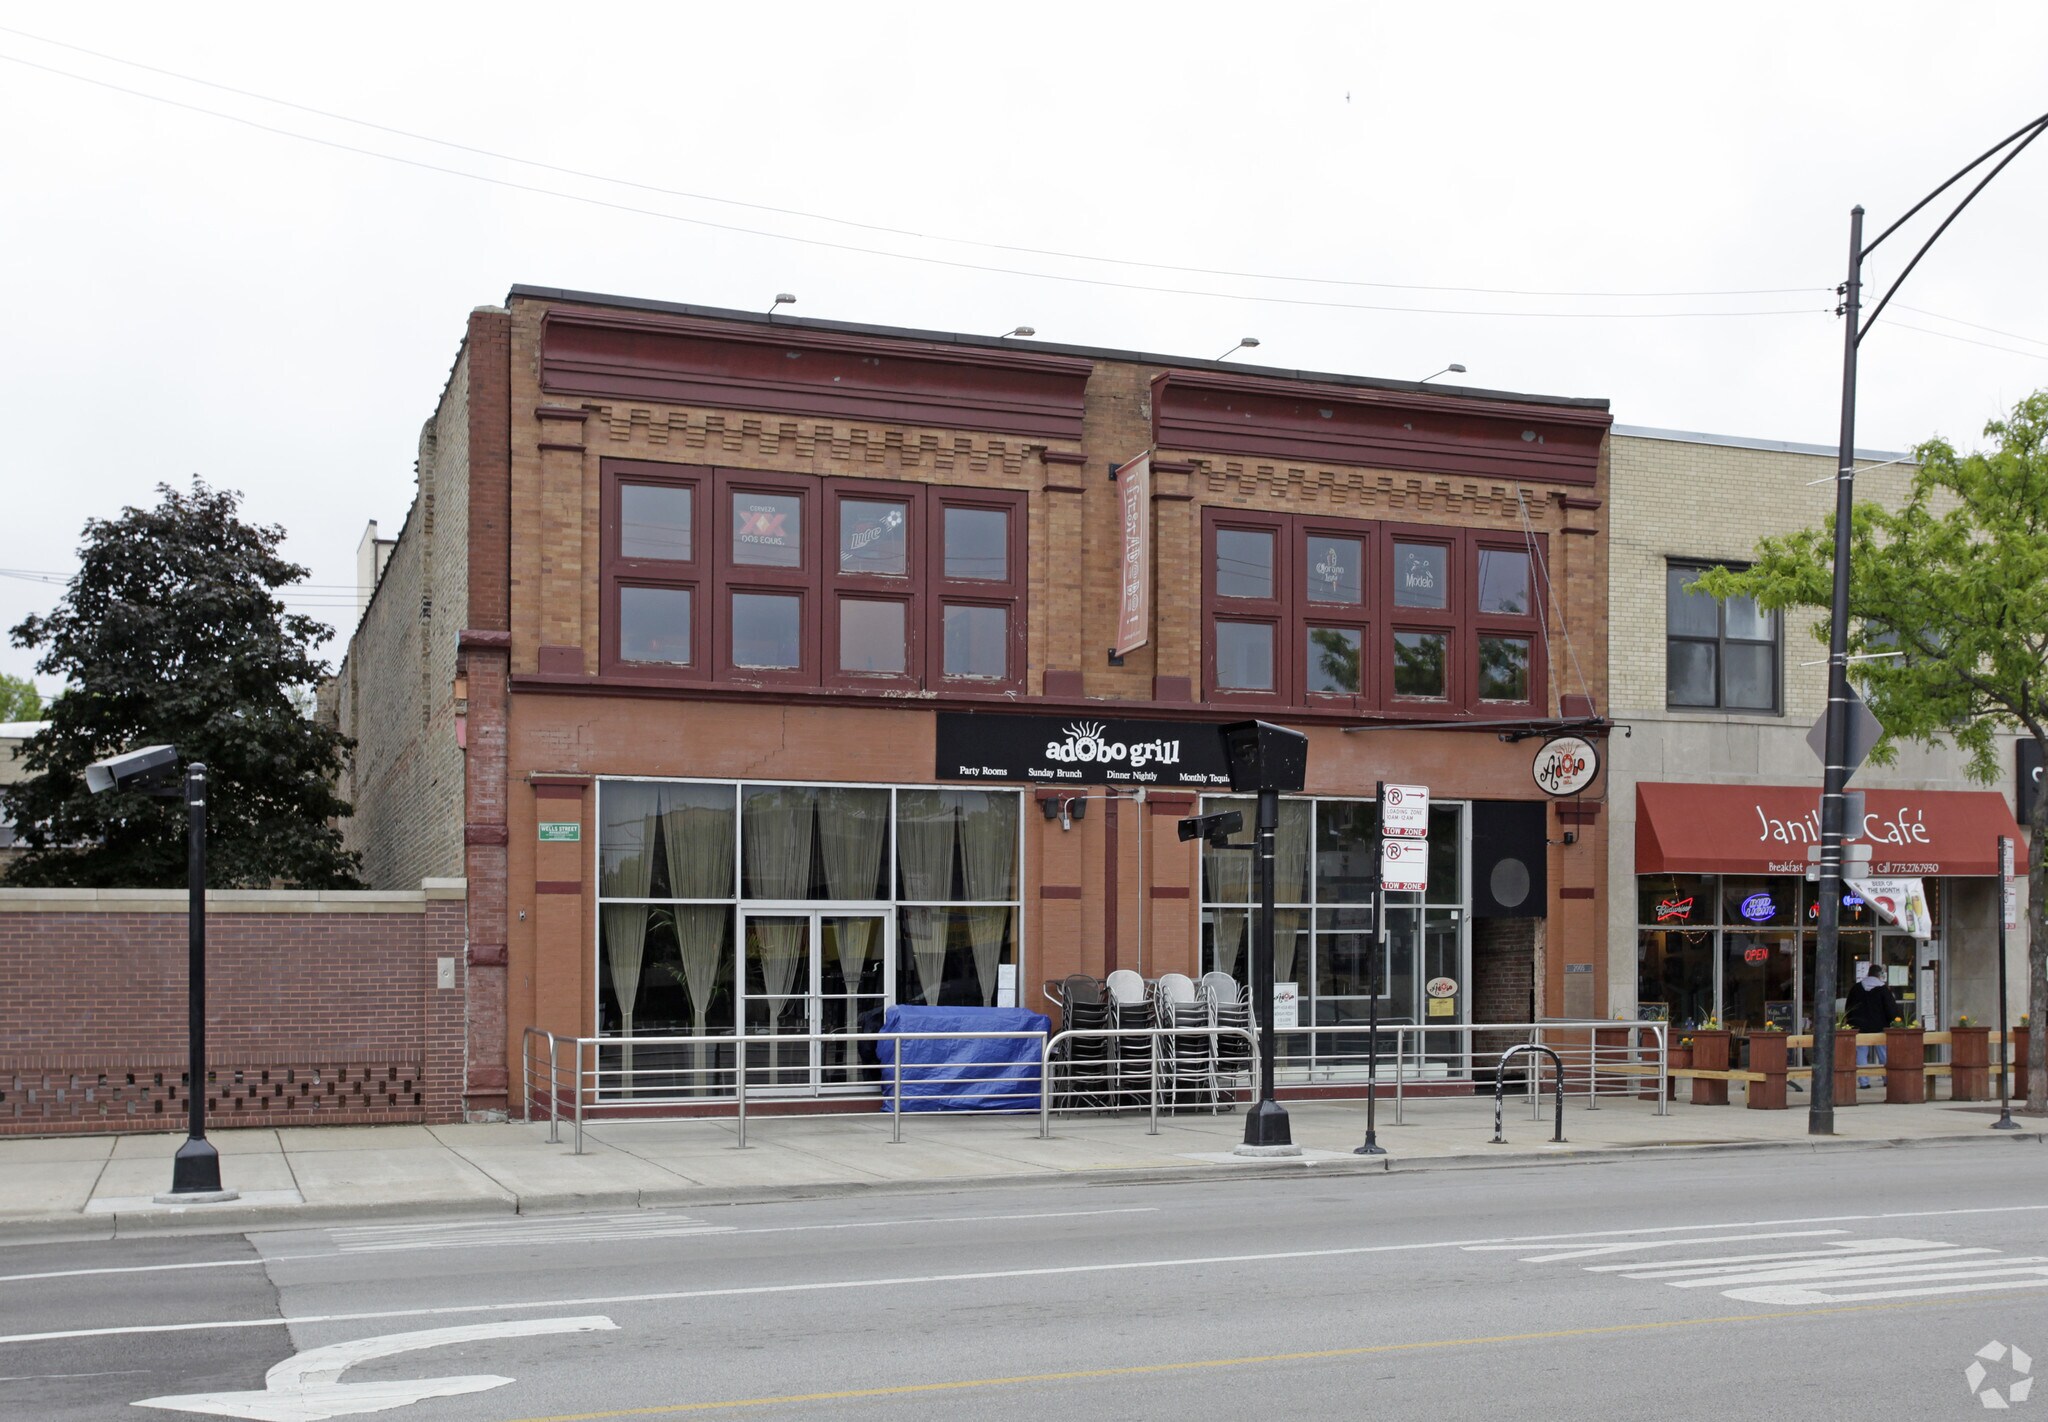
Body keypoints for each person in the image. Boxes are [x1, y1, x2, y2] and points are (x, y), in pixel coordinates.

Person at [1845, 962, 1897, 1089]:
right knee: (1884, 1054)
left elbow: (1849, 1007)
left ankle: (1864, 1082)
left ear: (1868, 974)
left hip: (1860, 1027)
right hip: (1880, 1027)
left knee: (1861, 1054)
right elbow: (1890, 1009)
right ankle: (1887, 1079)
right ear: (1879, 975)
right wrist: (1894, 1022)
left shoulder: (1856, 988)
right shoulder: (1883, 989)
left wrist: (1851, 1022)